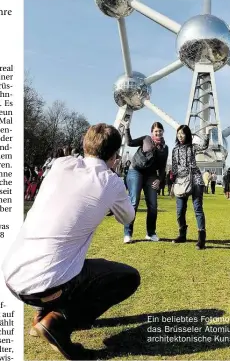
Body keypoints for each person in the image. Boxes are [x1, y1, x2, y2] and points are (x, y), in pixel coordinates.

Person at [2, 123, 138, 360]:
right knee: (127, 277)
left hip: (12, 277)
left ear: (85, 145)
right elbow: (128, 216)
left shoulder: (60, 165)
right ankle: (59, 322)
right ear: (115, 155)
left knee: (57, 249)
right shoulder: (110, 181)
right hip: (48, 284)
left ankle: (41, 314)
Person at [171, 124, 215, 250]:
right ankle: (182, 234)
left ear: (187, 135)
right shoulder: (175, 150)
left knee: (197, 208)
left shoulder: (192, 147)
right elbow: (174, 169)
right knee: (180, 211)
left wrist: (207, 133)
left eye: (183, 133)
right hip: (181, 182)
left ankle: (201, 239)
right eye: (178, 133)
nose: (180, 136)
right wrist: (173, 184)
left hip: (195, 180)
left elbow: (204, 146)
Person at [123, 121, 168, 243]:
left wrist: (159, 179)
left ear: (163, 132)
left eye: (160, 130)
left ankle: (151, 233)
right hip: (136, 171)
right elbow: (129, 142)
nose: (158, 132)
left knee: (153, 205)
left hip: (151, 175)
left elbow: (163, 166)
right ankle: (128, 233)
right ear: (152, 132)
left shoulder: (165, 148)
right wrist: (127, 128)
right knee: (134, 201)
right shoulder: (146, 139)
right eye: (155, 131)